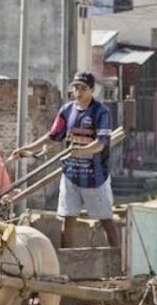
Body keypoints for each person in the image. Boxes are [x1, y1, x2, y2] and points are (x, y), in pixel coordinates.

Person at [9, 71, 119, 248]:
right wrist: (26, 149)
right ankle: (67, 262)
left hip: (95, 177)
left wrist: (83, 150)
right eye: (75, 88)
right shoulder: (67, 111)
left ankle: (115, 261)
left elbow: (101, 143)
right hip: (71, 174)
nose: (78, 92)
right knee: (67, 219)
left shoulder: (101, 112)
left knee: (106, 220)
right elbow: (52, 137)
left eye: (82, 88)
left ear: (92, 90)